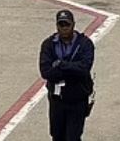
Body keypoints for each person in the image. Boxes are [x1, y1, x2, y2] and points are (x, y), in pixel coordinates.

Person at [39, 10, 95, 141]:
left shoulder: (85, 44)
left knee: (73, 137)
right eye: (61, 24)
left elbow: (84, 68)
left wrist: (61, 65)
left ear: (73, 25)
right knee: (57, 136)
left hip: (77, 99)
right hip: (57, 100)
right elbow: (46, 72)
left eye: (67, 24)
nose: (64, 28)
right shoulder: (48, 45)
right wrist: (72, 69)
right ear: (56, 26)